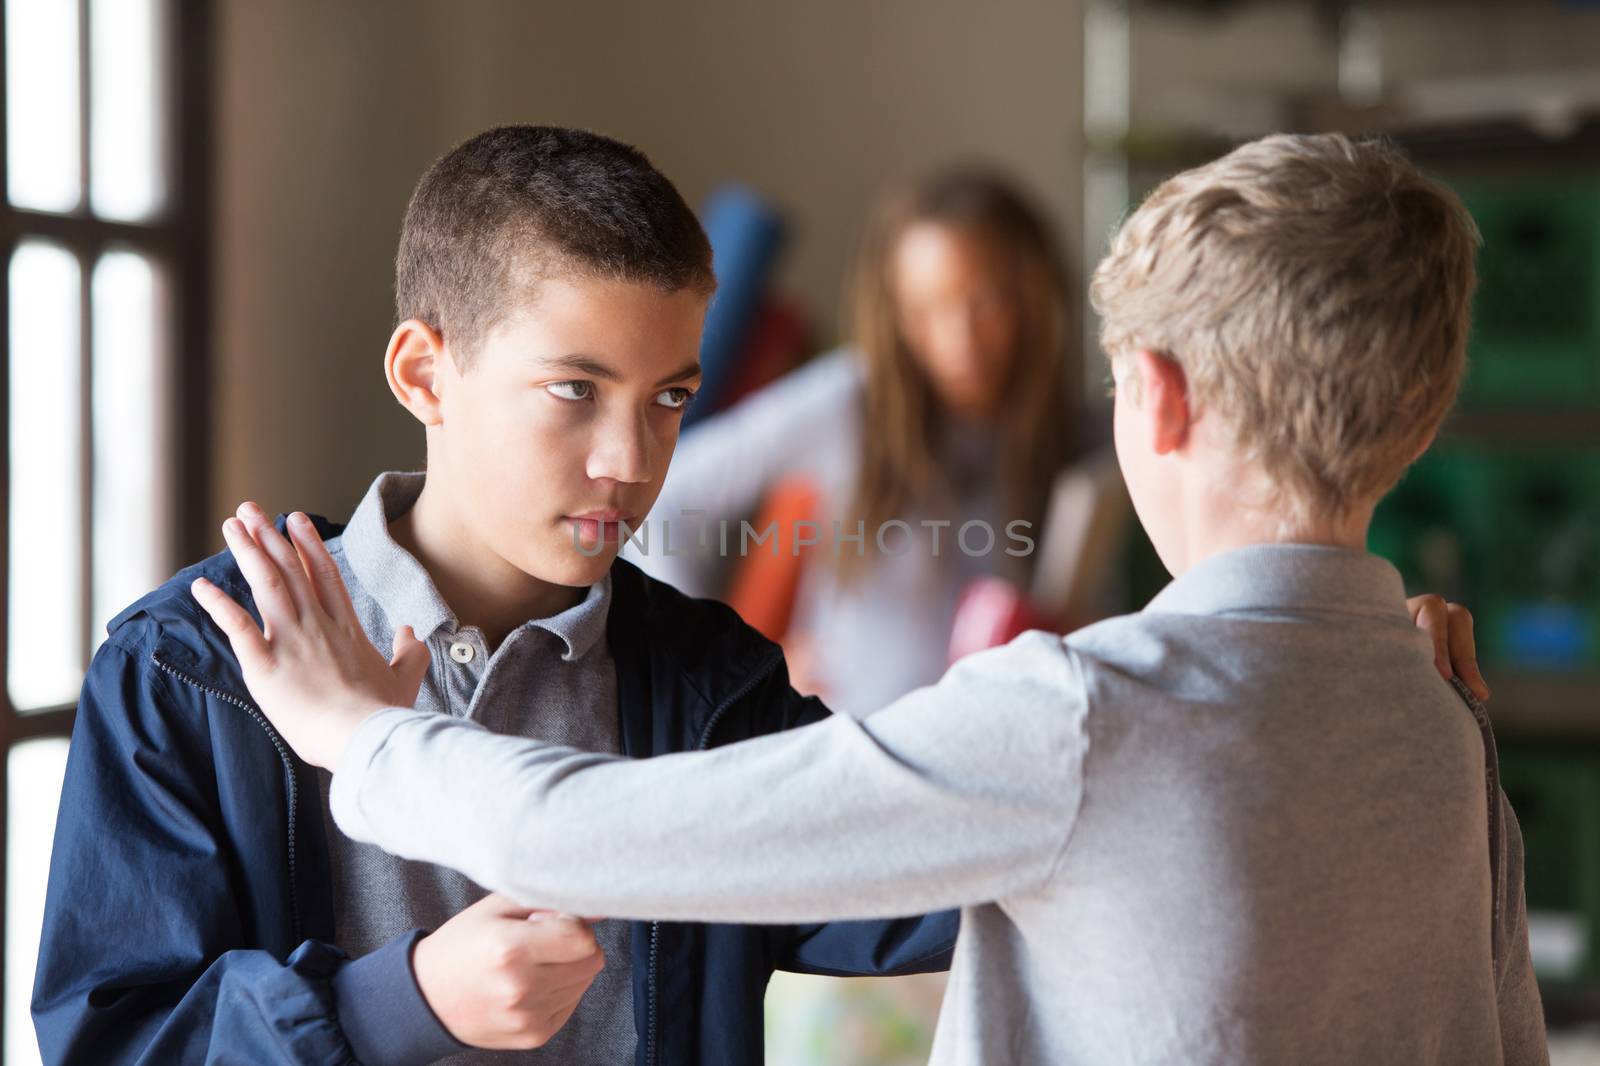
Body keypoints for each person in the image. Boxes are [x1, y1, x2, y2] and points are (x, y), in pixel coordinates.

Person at [195, 132, 1538, 1065]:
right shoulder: (1443, 716)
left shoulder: (1073, 716)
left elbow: (582, 829)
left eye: (668, 397)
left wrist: (360, 735)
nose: (634, 457)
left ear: (1161, 400)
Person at [31, 126, 957, 1066]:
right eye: (573, 389)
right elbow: (110, 1045)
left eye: (669, 399)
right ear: (423, 373)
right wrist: (401, 1002)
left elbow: (942, 870)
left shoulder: (710, 688)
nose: (631, 463)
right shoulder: (194, 670)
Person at [630, 168, 1087, 714]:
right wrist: (727, 665)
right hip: (850, 746)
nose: (958, 340)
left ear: (1034, 298)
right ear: (894, 313)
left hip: (985, 750)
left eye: (986, 303)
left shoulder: (1070, 432)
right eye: (926, 310)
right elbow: (664, 502)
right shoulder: (848, 403)